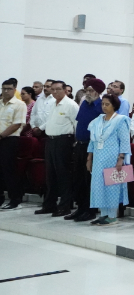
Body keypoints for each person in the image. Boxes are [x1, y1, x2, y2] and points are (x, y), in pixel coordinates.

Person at [33, 81, 79, 216]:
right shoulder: (53, 103)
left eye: (58, 89)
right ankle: (49, 205)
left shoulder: (71, 105)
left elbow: (76, 124)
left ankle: (65, 206)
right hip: (50, 140)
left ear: (65, 90)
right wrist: (41, 128)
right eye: (52, 89)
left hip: (64, 141)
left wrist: (75, 143)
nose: (54, 92)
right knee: (50, 174)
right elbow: (50, 120)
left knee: (63, 174)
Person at [86, 93, 131, 227]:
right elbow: (92, 141)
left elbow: (124, 141)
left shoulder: (120, 120)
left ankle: (112, 216)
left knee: (111, 185)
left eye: (107, 104)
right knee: (99, 185)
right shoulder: (98, 120)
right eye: (103, 104)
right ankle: (103, 214)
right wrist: (89, 158)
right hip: (99, 158)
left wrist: (121, 159)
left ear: (114, 105)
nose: (104, 107)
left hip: (113, 158)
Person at [68, 78, 105, 222]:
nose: (88, 93)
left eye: (91, 90)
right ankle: (80, 208)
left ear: (98, 92)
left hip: (92, 147)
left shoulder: (101, 106)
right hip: (80, 144)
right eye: (87, 90)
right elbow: (80, 122)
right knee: (78, 178)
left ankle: (90, 210)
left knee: (89, 179)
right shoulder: (84, 103)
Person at [0, 79, 26, 210]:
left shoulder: (19, 104)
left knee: (8, 170)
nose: (6, 91)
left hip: (9, 140)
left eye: (9, 89)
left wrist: (1, 135)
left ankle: (15, 199)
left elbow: (17, 124)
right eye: (3, 88)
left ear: (15, 89)